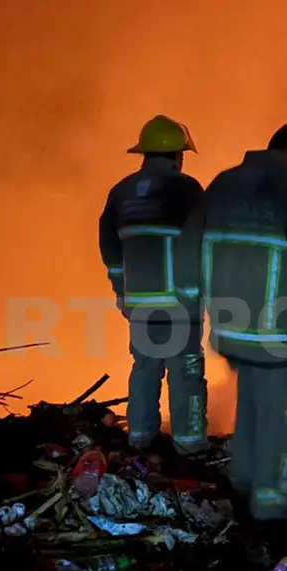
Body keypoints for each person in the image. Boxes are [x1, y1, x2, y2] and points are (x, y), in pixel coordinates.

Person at [176, 123, 287, 520]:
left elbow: (187, 247)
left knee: (251, 402)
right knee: (282, 413)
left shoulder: (224, 184)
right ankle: (271, 506)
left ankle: (242, 484)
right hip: (276, 329)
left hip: (229, 328)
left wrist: (190, 305)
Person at [99, 115, 209, 453]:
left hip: (140, 303)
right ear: (177, 155)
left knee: (145, 369)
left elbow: (109, 246)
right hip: (180, 303)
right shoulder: (187, 189)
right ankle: (189, 447)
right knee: (185, 373)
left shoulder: (121, 192)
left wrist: (121, 290)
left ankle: (139, 439)